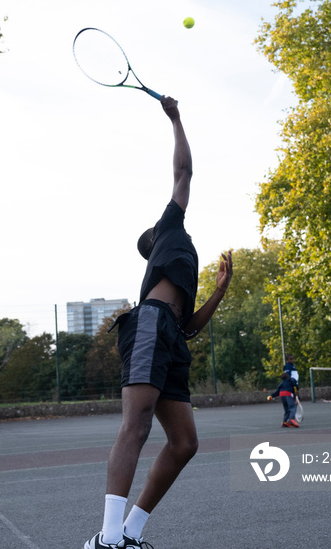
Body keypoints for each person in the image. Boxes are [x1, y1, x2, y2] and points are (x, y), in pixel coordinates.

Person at [85, 96, 233, 549]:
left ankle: (129, 532)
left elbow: (190, 326)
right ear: (153, 240)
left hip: (171, 334)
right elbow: (184, 172)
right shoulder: (169, 228)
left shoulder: (182, 257)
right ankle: (107, 540)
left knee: (185, 443)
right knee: (137, 424)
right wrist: (176, 119)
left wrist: (220, 288)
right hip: (149, 324)